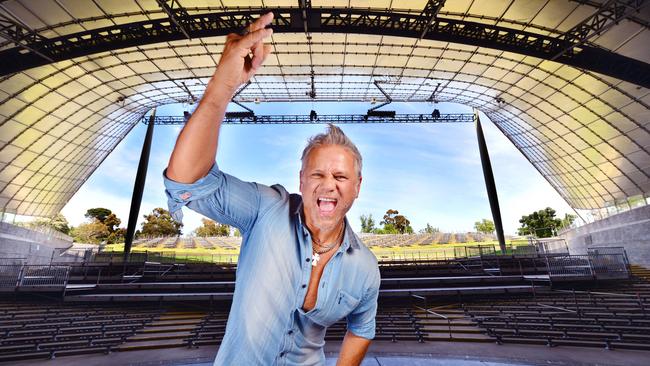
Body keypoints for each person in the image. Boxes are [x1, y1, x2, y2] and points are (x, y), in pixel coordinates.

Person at [164, 12, 380, 366]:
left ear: (357, 187)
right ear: (300, 180)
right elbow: (187, 180)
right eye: (317, 175)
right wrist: (223, 87)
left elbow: (362, 328)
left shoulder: (367, 269)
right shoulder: (266, 209)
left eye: (341, 178)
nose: (329, 185)